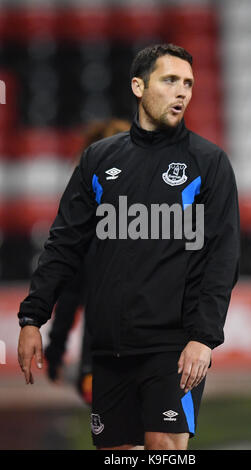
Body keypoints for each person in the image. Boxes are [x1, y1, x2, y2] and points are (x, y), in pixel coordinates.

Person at [17, 43, 240, 451]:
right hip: (109, 349)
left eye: (188, 83)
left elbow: (222, 259)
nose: (182, 92)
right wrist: (33, 318)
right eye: (170, 80)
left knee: (164, 450)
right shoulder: (98, 161)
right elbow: (64, 243)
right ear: (138, 86)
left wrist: (203, 338)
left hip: (173, 348)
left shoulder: (209, 163)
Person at [44, 119, 131, 406]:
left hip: (101, 358)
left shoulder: (83, 222)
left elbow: (70, 290)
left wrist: (55, 349)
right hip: (145, 355)